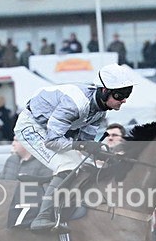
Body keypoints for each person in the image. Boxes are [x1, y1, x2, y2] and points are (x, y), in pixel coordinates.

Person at [14, 63, 135, 231]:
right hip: (32, 127)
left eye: (128, 93)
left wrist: (107, 156)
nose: (124, 100)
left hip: (54, 131)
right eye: (120, 94)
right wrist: (84, 145)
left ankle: (70, 209)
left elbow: (85, 144)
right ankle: (41, 218)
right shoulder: (76, 104)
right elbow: (53, 142)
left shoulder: (100, 111)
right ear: (104, 91)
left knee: (87, 166)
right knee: (67, 165)